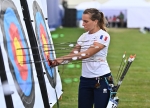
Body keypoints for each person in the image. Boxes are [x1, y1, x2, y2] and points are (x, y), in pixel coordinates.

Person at [47, 8, 114, 108]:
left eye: (86, 21)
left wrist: (61, 58)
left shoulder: (103, 36)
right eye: (83, 21)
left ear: (95, 21)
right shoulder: (83, 36)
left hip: (101, 79)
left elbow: (87, 54)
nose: (83, 24)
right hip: (85, 80)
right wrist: (58, 62)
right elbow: (73, 54)